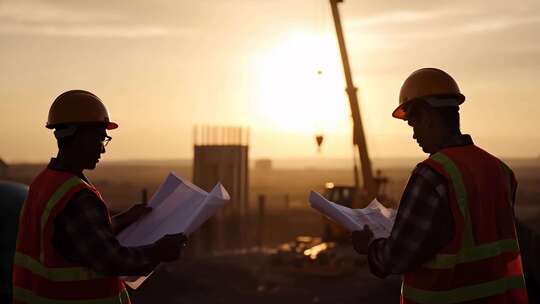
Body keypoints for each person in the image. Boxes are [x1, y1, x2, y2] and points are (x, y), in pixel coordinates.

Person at [351, 68, 528, 303]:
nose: (414, 135)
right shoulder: (500, 170)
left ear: (427, 115)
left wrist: (371, 245)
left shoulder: (432, 175)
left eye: (413, 123)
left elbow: (397, 258)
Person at [12, 90, 187, 303]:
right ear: (78, 136)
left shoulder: (45, 182)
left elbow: (75, 239)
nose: (103, 149)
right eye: (100, 138)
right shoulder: (77, 197)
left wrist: (123, 220)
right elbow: (111, 260)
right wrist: (159, 252)